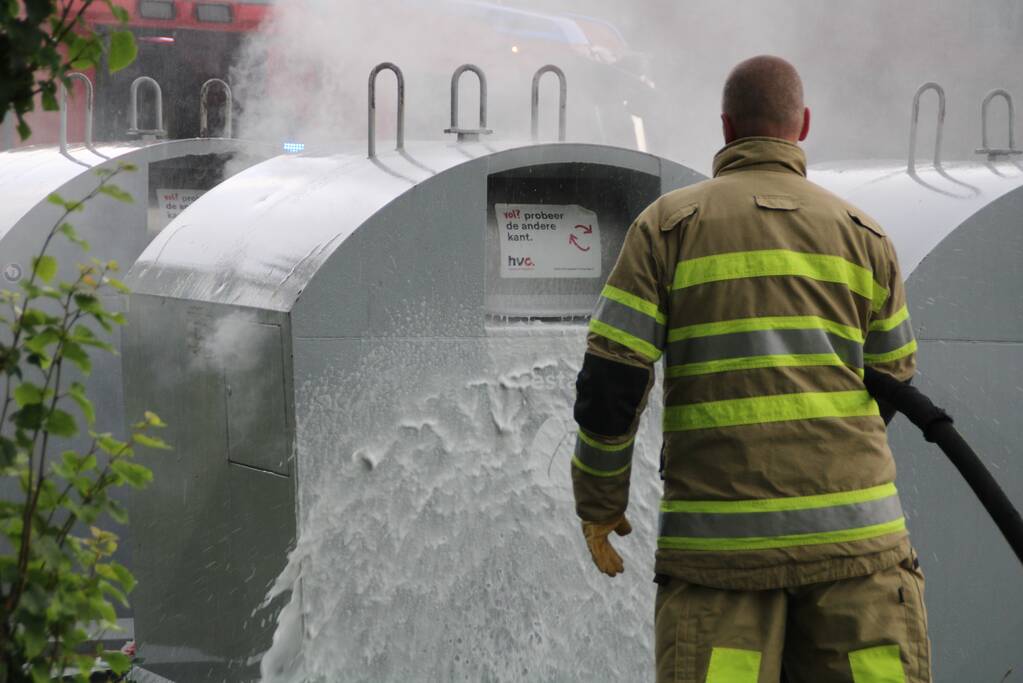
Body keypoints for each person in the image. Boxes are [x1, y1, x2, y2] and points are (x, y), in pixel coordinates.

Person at [571, 55, 930, 683]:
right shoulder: (866, 236)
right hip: (861, 558)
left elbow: (611, 381)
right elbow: (893, 382)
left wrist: (600, 500)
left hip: (720, 566)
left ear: (726, 126)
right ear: (804, 124)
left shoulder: (667, 228)